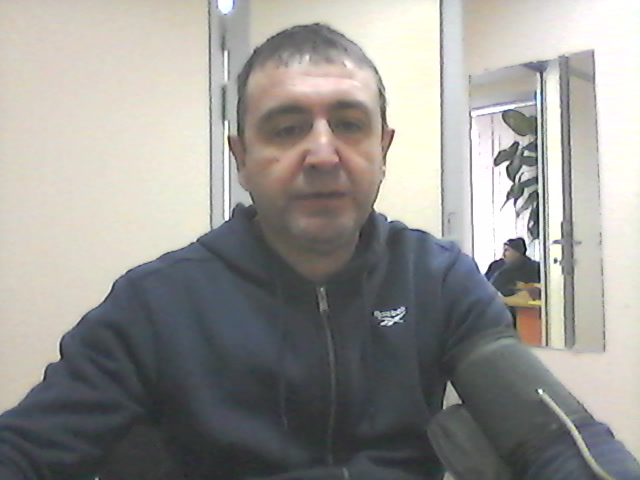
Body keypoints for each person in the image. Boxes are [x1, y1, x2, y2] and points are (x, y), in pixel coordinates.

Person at [0, 24, 638, 480]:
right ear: (242, 157)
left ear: (383, 148)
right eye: (287, 128)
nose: (324, 153)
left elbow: (560, 440)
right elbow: (25, 452)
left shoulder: (438, 279)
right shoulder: (154, 304)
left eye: (350, 125)